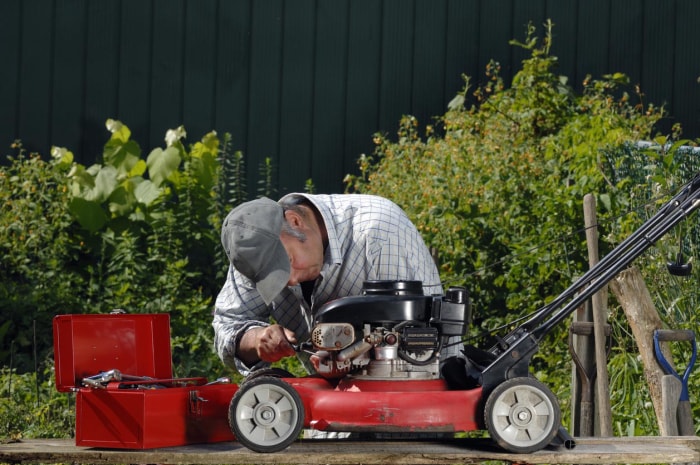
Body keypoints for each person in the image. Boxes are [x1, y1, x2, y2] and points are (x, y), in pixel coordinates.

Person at [212, 193, 460, 376]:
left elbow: (423, 349)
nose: (289, 281)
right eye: (271, 279)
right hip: (327, 423)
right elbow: (228, 325)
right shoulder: (252, 251)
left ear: (295, 222)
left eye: (286, 263)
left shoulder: (379, 235)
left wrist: (352, 355)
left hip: (410, 419)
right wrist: (256, 339)